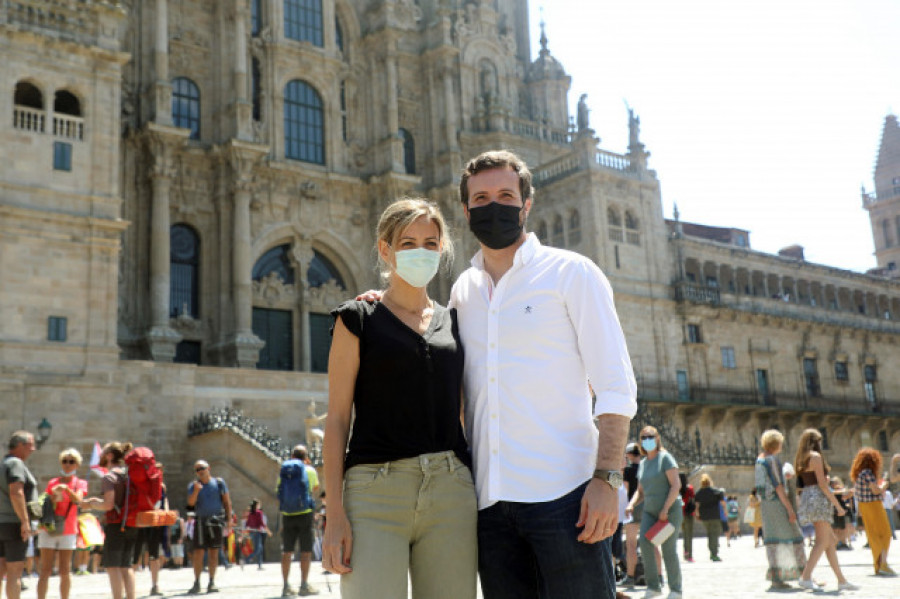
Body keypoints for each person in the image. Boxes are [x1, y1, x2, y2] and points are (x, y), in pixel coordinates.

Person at [451, 150, 637, 599]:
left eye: (505, 195)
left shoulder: (571, 273)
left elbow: (615, 386)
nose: (493, 205)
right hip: (491, 507)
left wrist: (607, 481)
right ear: (466, 209)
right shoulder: (463, 291)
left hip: (567, 500)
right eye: (481, 197)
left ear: (526, 203)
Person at [323, 197, 477, 599]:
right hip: (374, 493)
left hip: (450, 491)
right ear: (385, 249)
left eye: (431, 242)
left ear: (442, 249)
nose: (421, 252)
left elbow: (464, 408)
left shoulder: (455, 322)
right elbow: (337, 420)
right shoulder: (356, 317)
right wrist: (334, 514)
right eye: (408, 243)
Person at [794, 428, 857, 591]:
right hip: (818, 500)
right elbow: (822, 485)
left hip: (809, 497)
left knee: (830, 541)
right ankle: (806, 577)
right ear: (816, 441)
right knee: (823, 541)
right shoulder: (815, 457)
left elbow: (809, 483)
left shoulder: (801, 458)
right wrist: (838, 507)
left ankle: (842, 580)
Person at [625, 426, 683, 599]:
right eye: (644, 437)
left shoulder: (665, 458)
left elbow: (676, 485)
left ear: (657, 438)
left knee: (668, 549)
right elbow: (640, 491)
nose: (647, 440)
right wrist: (631, 504)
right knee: (644, 543)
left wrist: (665, 509)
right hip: (650, 512)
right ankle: (653, 586)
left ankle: (675, 589)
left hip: (670, 511)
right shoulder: (643, 463)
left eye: (650, 436)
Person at [80, 441, 137, 599]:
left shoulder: (109, 477)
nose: (100, 456)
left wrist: (90, 503)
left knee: (113, 567)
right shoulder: (128, 475)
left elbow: (108, 504)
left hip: (116, 525)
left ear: (110, 456)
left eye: (103, 453)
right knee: (126, 565)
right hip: (131, 523)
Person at [755, 429, 806, 590]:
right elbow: (778, 486)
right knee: (794, 536)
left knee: (773, 541)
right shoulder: (772, 460)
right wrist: (790, 509)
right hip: (777, 504)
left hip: (766, 506)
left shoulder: (759, 460)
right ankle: (805, 574)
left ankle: (777, 577)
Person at [36, 447, 87, 599]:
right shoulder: (53, 482)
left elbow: (78, 500)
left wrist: (66, 490)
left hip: (68, 528)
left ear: (77, 464)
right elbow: (45, 503)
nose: (67, 464)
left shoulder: (80, 483)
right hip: (49, 527)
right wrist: (54, 494)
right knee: (45, 570)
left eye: (71, 462)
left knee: (65, 570)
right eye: (64, 461)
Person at [278, 445, 320, 596]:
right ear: (306, 457)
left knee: (287, 551)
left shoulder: (285, 470)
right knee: (306, 551)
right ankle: (304, 585)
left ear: (292, 455)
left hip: (288, 514)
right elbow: (314, 488)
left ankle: (285, 586)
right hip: (305, 513)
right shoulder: (309, 470)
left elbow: (279, 489)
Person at [0, 431, 37, 599]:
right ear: (20, 445)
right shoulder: (16, 463)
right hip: (14, 523)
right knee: (15, 573)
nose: (33, 449)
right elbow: (16, 492)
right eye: (30, 445)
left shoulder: (3, 463)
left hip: (1, 522)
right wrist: (25, 521)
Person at [186, 460, 232, 594]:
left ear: (209, 468)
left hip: (215, 521)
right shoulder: (193, 485)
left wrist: (229, 519)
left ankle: (211, 582)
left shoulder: (219, 483)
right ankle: (197, 582)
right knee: (198, 553)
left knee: (214, 552)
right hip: (200, 521)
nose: (200, 471)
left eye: (202, 468)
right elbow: (190, 505)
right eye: (197, 469)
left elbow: (226, 502)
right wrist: (195, 491)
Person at [850, 447, 894, 575]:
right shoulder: (868, 473)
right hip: (873, 505)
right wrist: (884, 485)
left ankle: (879, 564)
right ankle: (882, 564)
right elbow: (875, 490)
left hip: (865, 506)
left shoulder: (859, 474)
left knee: (874, 535)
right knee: (885, 534)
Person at [133, 461, 168, 596]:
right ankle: (132, 586)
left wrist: (166, 512)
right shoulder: (144, 485)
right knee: (136, 555)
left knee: (154, 555)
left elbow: (164, 501)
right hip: (142, 522)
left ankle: (155, 585)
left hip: (154, 523)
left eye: (160, 470)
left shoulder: (162, 487)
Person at [621, 443, 644, 586]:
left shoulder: (628, 470)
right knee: (650, 543)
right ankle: (656, 575)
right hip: (647, 506)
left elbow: (625, 490)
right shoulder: (646, 467)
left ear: (629, 455)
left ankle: (630, 576)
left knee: (631, 544)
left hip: (632, 506)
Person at [693, 474, 725, 562]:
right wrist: (725, 511)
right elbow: (723, 503)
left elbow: (697, 506)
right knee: (714, 534)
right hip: (715, 515)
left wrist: (697, 515)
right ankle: (714, 554)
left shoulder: (699, 492)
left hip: (704, 516)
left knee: (710, 534)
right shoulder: (715, 491)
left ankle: (712, 551)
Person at [243, 499, 270, 570]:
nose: (260, 506)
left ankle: (260, 565)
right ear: (256, 505)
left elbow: (247, 523)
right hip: (257, 532)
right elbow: (261, 523)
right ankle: (246, 560)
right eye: (259, 504)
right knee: (258, 549)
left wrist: (246, 530)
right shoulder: (259, 512)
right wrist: (268, 531)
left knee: (260, 549)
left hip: (252, 532)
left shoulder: (250, 513)